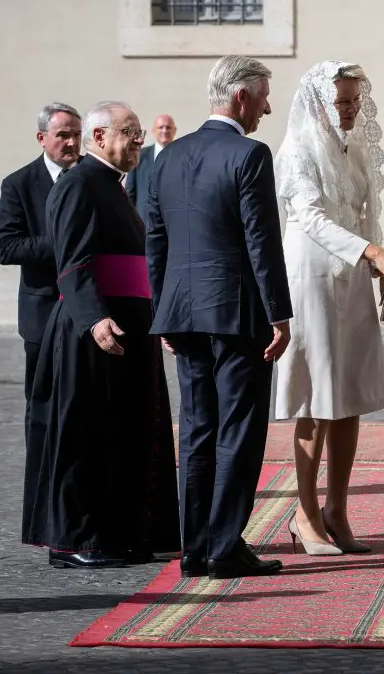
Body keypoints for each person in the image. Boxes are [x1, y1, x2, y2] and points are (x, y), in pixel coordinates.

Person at [146, 55, 293, 578]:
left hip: (183, 314)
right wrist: (279, 314)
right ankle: (225, 546)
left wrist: (164, 311)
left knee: (198, 429)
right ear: (240, 98)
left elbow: (155, 239)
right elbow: (261, 241)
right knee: (238, 429)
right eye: (264, 97)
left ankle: (195, 548)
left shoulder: (167, 156)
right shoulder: (250, 154)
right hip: (236, 314)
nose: (268, 108)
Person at [22, 101, 180, 568]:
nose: (138, 140)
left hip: (128, 328)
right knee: (86, 437)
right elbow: (72, 260)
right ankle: (76, 542)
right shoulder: (78, 184)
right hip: (90, 334)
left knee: (125, 435)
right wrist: (94, 318)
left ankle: (123, 534)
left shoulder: (113, 187)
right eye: (129, 131)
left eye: (138, 133)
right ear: (97, 137)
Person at [272, 61, 384, 556]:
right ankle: (305, 514)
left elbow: (362, 215)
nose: (351, 109)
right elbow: (308, 218)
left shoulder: (351, 148)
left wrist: (380, 267)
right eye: (342, 101)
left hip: (351, 275)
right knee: (317, 396)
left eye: (355, 99)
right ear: (318, 102)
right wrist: (373, 253)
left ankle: (337, 508)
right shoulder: (296, 150)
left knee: (348, 396)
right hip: (311, 277)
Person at [0, 103, 81, 407]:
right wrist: (64, 244)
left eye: (77, 135)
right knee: (43, 403)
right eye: (63, 135)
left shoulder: (95, 176)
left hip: (90, 310)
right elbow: (5, 248)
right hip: (42, 310)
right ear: (41, 138)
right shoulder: (18, 184)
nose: (72, 142)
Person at [125, 113, 177, 216]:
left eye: (168, 127)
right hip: (144, 221)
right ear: (153, 130)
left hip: (172, 220)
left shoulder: (182, 156)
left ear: (174, 130)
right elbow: (130, 192)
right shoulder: (139, 154)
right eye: (161, 127)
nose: (164, 130)